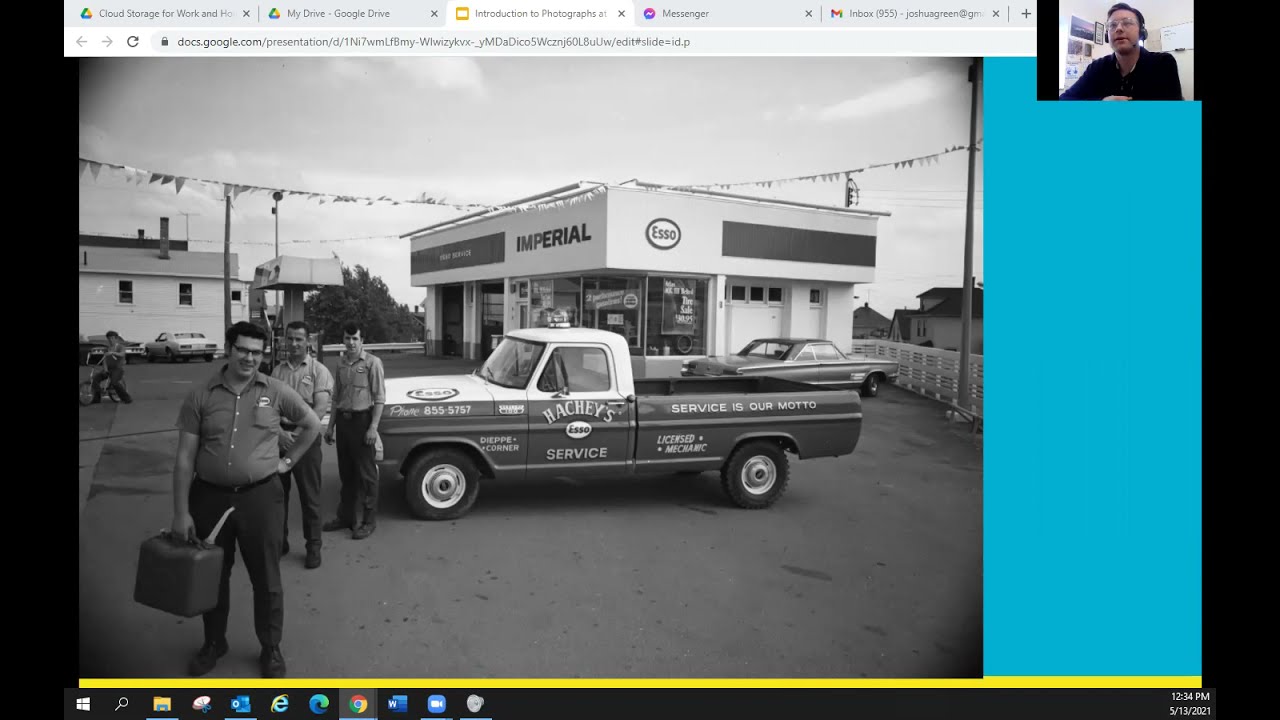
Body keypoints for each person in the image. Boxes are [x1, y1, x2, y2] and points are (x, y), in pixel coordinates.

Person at [170, 321, 321, 678]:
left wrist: (288, 462)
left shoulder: (276, 390)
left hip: (261, 499)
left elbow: (312, 424)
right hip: (209, 499)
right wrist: (180, 513)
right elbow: (184, 459)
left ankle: (270, 648)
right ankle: (213, 642)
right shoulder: (201, 395)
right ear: (229, 350)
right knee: (212, 577)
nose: (250, 358)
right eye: (243, 350)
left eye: (257, 352)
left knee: (266, 578)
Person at [272, 321, 333, 569]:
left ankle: (313, 547)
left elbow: (319, 408)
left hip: (306, 438)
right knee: (277, 496)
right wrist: (279, 434)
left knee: (310, 497)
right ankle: (280, 542)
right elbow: (267, 407)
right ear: (284, 341)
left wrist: (296, 435)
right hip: (279, 438)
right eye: (290, 339)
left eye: (299, 339)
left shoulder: (319, 371)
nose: (294, 344)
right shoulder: (276, 372)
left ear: (308, 341)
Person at [323, 321, 386, 540]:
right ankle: (346, 517)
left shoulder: (372, 363)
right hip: (343, 422)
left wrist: (373, 428)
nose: (351, 343)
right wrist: (330, 426)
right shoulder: (340, 364)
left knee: (367, 475)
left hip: (362, 422)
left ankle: (368, 521)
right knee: (347, 473)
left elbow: (379, 397)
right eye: (347, 339)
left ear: (362, 341)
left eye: (355, 339)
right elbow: (336, 397)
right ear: (343, 339)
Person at [1059, 4, 1183, 101]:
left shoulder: (1163, 64)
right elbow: (1064, 100)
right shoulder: (1097, 67)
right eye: (1112, 25)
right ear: (1107, 37)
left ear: (1141, 33)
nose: (1118, 29)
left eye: (1127, 22)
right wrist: (1100, 103)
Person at [91, 331, 133, 404]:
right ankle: (97, 399)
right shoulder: (107, 349)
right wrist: (105, 369)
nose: (110, 340)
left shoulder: (120, 347)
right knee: (95, 379)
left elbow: (122, 354)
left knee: (114, 382)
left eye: (112, 338)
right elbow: (104, 360)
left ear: (116, 339)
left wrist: (113, 353)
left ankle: (127, 398)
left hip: (118, 369)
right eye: (109, 338)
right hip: (109, 369)